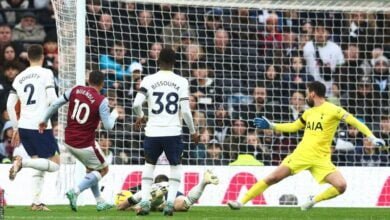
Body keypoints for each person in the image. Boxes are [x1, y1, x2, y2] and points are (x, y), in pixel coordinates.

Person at [227, 81, 385, 211]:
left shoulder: (334, 110)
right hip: (301, 154)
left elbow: (355, 122)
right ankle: (240, 202)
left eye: (306, 92)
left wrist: (372, 137)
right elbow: (294, 127)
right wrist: (272, 125)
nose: (305, 96)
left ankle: (313, 200)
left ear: (312, 93)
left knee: (341, 186)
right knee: (273, 178)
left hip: (321, 159)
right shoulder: (308, 113)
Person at [38, 70, 118, 212]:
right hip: (85, 143)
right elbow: (108, 126)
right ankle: (75, 191)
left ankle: (99, 201)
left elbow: (55, 104)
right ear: (102, 83)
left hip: (68, 140)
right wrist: (114, 115)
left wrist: (44, 120)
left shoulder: (75, 90)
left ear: (88, 80)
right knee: (104, 169)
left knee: (92, 169)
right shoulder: (102, 100)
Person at [132, 47, 199, 216]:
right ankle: (169, 203)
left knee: (149, 165)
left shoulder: (148, 79)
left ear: (158, 61)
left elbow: (135, 104)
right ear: (175, 62)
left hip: (152, 131)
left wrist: (140, 116)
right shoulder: (181, 81)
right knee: (175, 166)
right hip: (172, 131)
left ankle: (145, 201)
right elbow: (185, 111)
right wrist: (193, 131)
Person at [6, 44, 60, 211]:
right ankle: (22, 163)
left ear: (28, 58)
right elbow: (52, 98)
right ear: (43, 57)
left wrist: (15, 128)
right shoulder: (46, 73)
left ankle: (36, 202)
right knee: (55, 164)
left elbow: (9, 106)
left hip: (23, 126)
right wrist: (47, 117)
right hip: (41, 126)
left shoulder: (19, 77)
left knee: (40, 163)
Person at [116, 170, 219, 212]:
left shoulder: (143, 190)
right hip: (171, 193)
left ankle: (156, 199)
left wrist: (132, 207)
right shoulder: (173, 190)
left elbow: (121, 206)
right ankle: (203, 183)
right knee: (186, 204)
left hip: (151, 194)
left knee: (142, 204)